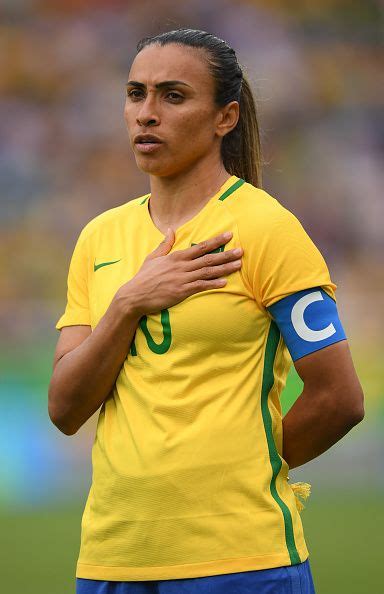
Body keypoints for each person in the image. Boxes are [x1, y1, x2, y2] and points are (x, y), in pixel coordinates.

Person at [48, 28, 365, 594]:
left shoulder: (266, 229)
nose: (147, 114)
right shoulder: (99, 239)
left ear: (226, 117)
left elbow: (339, 398)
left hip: (241, 559)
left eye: (173, 96)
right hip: (112, 558)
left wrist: (247, 473)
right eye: (135, 93)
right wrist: (127, 305)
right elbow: (66, 408)